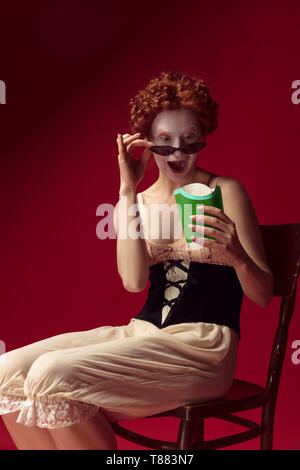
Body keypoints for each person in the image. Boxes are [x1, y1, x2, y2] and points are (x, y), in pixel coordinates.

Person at [0, 71, 274, 450]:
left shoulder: (225, 191)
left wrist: (238, 256)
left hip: (204, 345)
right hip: (144, 333)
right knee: (6, 372)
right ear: (148, 143)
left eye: (189, 140)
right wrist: (127, 188)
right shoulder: (139, 203)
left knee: (51, 373)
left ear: (202, 137)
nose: (178, 153)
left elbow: (262, 295)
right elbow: (133, 281)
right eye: (165, 141)